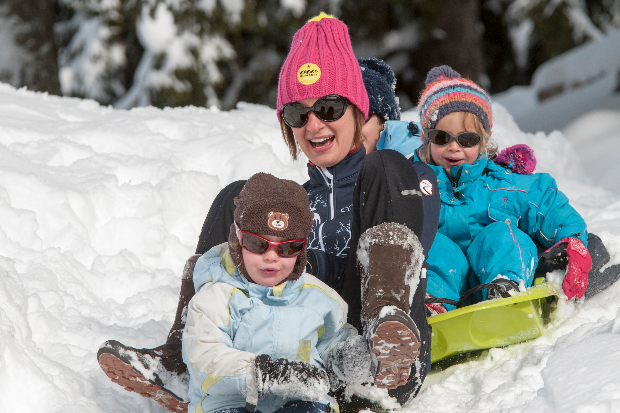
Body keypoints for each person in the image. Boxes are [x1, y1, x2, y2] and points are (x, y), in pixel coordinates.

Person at [97, 13, 440, 411]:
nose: (314, 125)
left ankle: (386, 326)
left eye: (329, 108)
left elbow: (418, 239)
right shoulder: (297, 205)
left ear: (357, 109)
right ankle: (181, 358)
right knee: (241, 198)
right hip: (306, 364)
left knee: (384, 164)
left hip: (377, 366)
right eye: (298, 114)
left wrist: (313, 267)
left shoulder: (399, 177)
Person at [182, 172, 373, 413]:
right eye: (257, 243)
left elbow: (331, 343)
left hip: (300, 403)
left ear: (301, 250)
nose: (271, 256)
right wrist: (266, 374)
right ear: (238, 240)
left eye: (288, 247)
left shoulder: (318, 299)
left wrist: (344, 360)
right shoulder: (216, 298)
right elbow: (205, 360)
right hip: (230, 403)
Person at [412, 65, 591, 312]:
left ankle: (506, 291)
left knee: (503, 236)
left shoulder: (502, 184)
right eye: (442, 138)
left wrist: (572, 240)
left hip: (494, 278)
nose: (454, 147)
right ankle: (429, 307)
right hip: (442, 289)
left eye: (467, 139)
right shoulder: (412, 187)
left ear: (483, 141)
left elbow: (547, 204)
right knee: (432, 247)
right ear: (426, 139)